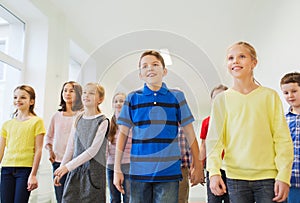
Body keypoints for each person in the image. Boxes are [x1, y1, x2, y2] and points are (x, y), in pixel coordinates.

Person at [206, 41, 294, 203]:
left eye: (242, 56)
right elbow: (214, 141)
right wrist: (214, 172)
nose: (235, 61)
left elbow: (282, 139)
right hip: (235, 178)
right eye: (231, 58)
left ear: (254, 62)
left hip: (269, 178)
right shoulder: (221, 100)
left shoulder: (270, 96)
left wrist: (283, 175)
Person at [113, 50, 204, 203]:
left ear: (164, 71)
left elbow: (189, 132)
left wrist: (199, 164)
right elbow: (122, 135)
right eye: (145, 66)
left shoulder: (176, 96)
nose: (150, 68)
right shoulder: (132, 98)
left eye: (155, 64)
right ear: (140, 74)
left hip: (169, 172)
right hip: (139, 173)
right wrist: (117, 169)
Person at [54, 82, 109, 203]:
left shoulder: (103, 121)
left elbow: (92, 151)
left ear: (100, 99)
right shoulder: (78, 118)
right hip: (75, 172)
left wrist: (67, 167)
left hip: (93, 175)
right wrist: (61, 169)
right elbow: (71, 147)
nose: (86, 95)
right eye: (84, 92)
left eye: (91, 93)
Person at [0, 85, 46, 203]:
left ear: (31, 101)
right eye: (15, 97)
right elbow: (1, 148)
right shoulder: (7, 124)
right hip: (6, 169)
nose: (18, 100)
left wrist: (33, 174)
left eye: (23, 97)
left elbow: (38, 150)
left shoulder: (37, 122)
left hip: (25, 170)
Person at [44, 81, 83, 203]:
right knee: (60, 198)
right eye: (65, 90)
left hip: (76, 164)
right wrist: (50, 151)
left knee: (75, 198)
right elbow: (48, 137)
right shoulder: (56, 116)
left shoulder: (81, 116)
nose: (67, 93)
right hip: (58, 163)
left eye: (72, 91)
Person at [199, 84, 229, 203]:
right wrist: (200, 167)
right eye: (216, 98)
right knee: (213, 200)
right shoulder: (207, 122)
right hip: (213, 168)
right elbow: (203, 145)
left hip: (232, 168)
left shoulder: (235, 120)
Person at [106, 92, 132, 203]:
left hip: (128, 164)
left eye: (122, 101)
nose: (118, 103)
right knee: (114, 198)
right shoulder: (108, 123)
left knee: (128, 196)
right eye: (116, 101)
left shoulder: (131, 123)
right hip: (111, 165)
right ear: (112, 104)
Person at [280, 72, 300, 203]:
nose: (290, 96)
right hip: (291, 180)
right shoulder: (282, 120)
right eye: (286, 93)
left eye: (294, 91)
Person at [178, 127, 192, 203]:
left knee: (181, 198)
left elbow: (190, 150)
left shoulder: (184, 129)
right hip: (166, 169)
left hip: (182, 169)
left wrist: (192, 168)